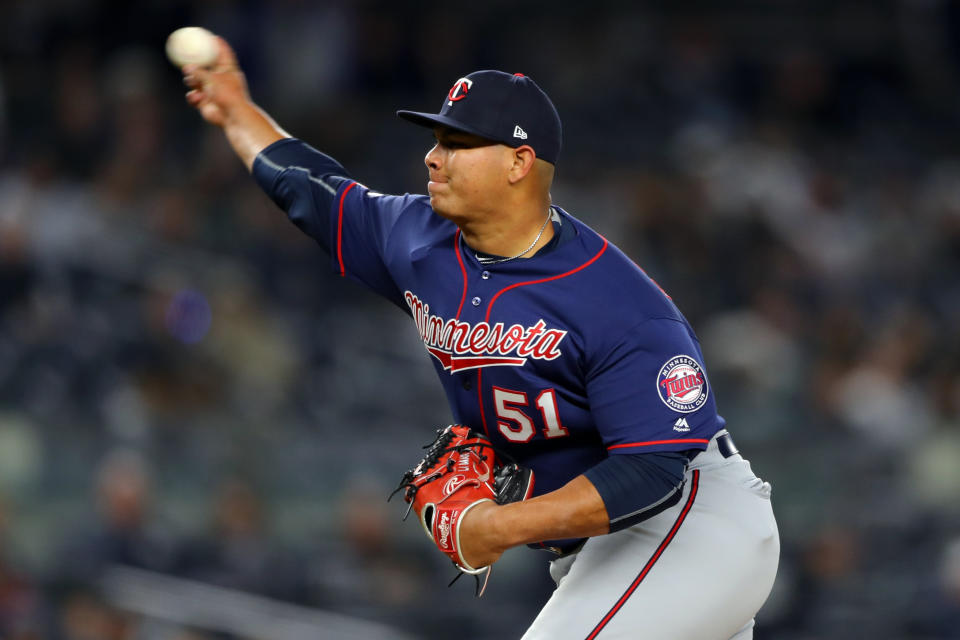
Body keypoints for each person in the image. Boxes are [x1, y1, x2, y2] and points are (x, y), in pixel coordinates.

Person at [180, 36, 780, 640]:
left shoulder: (620, 305)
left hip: (691, 524)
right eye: (437, 141)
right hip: (602, 554)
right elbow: (307, 187)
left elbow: (653, 470)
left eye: (457, 144)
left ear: (519, 163)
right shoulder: (415, 237)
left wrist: (497, 526)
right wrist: (235, 109)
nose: (432, 158)